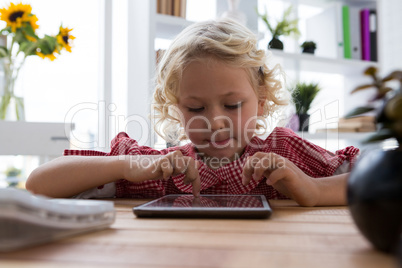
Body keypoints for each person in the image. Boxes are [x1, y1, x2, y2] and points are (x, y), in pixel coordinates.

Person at [26, 19, 359, 206]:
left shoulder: (284, 152)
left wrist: (312, 189)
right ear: (176, 110)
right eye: (195, 107)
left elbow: (386, 179)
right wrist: (129, 165)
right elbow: (38, 184)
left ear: (262, 99)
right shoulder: (161, 169)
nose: (214, 121)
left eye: (232, 105)